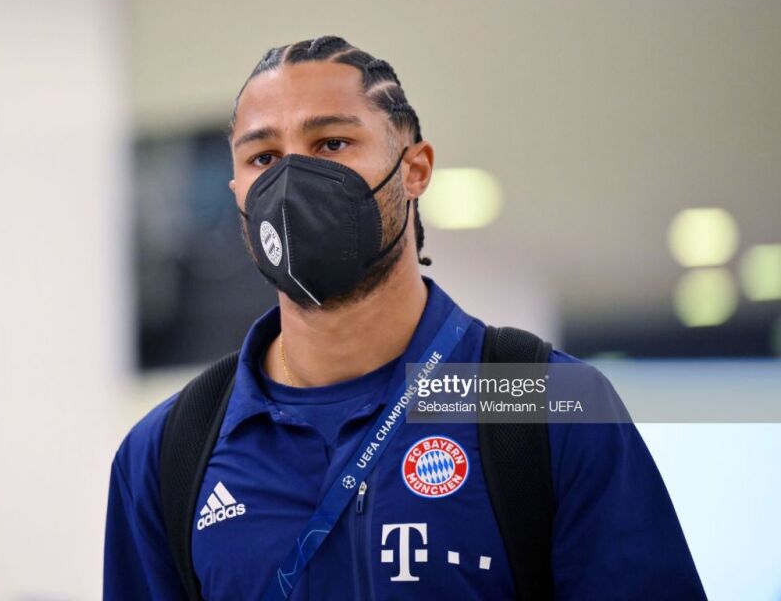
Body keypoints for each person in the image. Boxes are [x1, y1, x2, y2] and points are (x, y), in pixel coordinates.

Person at [104, 35, 706, 600]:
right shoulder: (168, 453)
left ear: (414, 169)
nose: (292, 182)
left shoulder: (545, 403)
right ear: (238, 190)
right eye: (264, 157)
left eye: (332, 144)